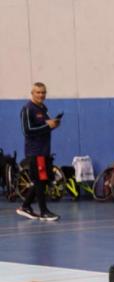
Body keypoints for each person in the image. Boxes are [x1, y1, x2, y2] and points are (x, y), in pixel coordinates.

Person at [18, 82, 60, 221]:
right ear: (32, 93)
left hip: (45, 151)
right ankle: (43, 212)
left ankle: (25, 206)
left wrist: (54, 124)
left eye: (43, 92)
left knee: (42, 180)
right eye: (38, 92)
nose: (41, 95)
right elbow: (27, 131)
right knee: (40, 181)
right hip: (35, 152)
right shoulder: (27, 109)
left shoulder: (43, 108)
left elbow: (45, 126)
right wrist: (48, 127)